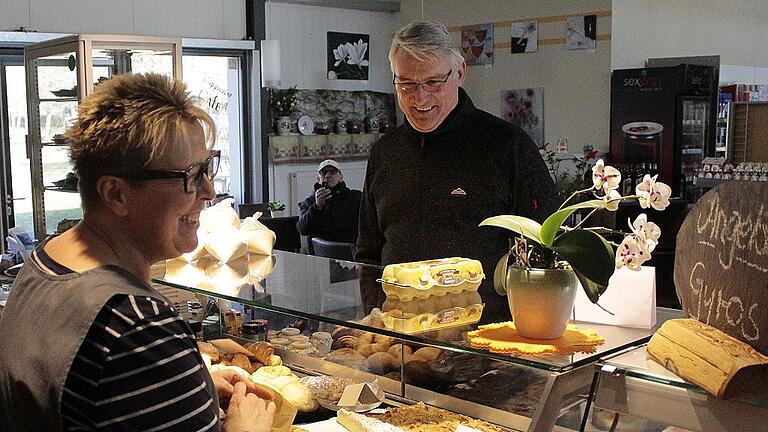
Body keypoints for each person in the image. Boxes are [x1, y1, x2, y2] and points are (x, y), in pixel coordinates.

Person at [0, 73, 275, 432]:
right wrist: (246, 428)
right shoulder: (137, 327)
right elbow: (123, 355)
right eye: (190, 176)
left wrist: (187, 382)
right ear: (115, 194)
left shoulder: (46, 259)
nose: (209, 191)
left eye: (208, 167)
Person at [355, 21, 558, 322]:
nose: (419, 97)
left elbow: (547, 247)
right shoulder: (385, 152)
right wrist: (378, 320)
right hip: (400, 341)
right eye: (406, 84)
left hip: (487, 340)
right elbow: (369, 251)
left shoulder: (507, 146)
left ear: (460, 72)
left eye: (433, 83)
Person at [297, 159, 362, 255]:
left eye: (332, 172)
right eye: (324, 173)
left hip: (350, 254)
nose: (328, 175)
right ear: (319, 179)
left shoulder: (355, 198)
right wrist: (317, 207)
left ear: (341, 177)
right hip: (321, 256)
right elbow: (302, 229)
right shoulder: (310, 202)